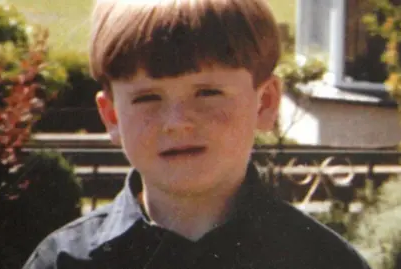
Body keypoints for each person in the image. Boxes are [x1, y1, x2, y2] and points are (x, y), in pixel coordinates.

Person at [23, 0, 371, 268]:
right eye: (147, 98)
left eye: (207, 93)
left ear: (264, 103)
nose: (177, 122)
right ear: (112, 116)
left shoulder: (323, 261)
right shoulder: (64, 261)